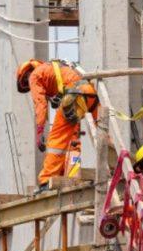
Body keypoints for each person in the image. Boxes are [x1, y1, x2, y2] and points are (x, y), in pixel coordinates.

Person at [16, 59, 99, 189]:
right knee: (101, 133)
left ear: (26, 74)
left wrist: (39, 131)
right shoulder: (54, 67)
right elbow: (66, 81)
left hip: (75, 96)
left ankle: (46, 180)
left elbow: (40, 104)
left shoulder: (34, 76)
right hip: (90, 94)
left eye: (27, 84)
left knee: (56, 141)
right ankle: (115, 166)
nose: (30, 86)